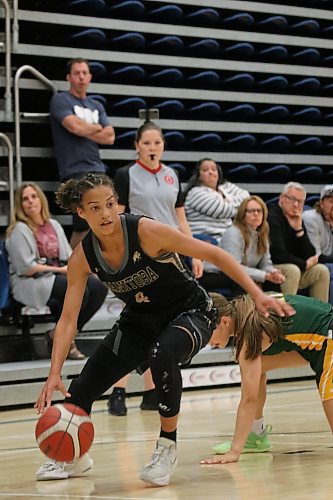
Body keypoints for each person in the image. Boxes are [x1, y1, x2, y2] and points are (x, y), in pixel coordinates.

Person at [34, 173, 293, 486]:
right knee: (81, 389)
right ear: (81, 212)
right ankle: (72, 456)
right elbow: (67, 320)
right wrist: (54, 373)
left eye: (110, 204)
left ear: (118, 203)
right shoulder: (82, 257)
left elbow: (215, 254)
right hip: (140, 319)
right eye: (95, 207)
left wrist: (257, 292)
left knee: (162, 353)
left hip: (191, 310)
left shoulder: (145, 231)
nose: (105, 213)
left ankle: (166, 446)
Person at [110, 121, 203, 416]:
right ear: (137, 145)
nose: (152, 148)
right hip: (141, 256)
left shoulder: (172, 175)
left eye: (157, 143)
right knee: (138, 320)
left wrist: (195, 252)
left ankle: (151, 391)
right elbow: (118, 219)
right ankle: (118, 391)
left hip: (171, 257)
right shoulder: (126, 175)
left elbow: (180, 219)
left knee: (161, 323)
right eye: (147, 143)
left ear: (163, 146)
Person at [201, 292, 333, 465]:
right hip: (310, 343)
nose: (207, 342)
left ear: (225, 322)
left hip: (327, 335)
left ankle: (249, 438)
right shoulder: (246, 311)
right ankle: (255, 434)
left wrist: (234, 452)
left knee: (328, 394)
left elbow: (248, 400)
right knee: (257, 368)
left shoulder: (250, 333)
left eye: (207, 333)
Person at [5, 182, 107, 359]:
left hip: (57, 276)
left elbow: (70, 257)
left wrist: (87, 269)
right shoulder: (19, 230)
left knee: (98, 287)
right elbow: (26, 268)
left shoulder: (53, 224)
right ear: (20, 205)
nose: (30, 202)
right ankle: (66, 341)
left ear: (41, 199)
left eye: (34, 196)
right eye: (25, 199)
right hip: (31, 281)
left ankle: (60, 336)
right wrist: (60, 270)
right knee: (76, 290)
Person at [49, 57, 115, 248]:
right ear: (69, 77)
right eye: (77, 73)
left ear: (90, 76)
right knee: (83, 224)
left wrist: (85, 128)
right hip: (74, 170)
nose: (81, 77)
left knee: (103, 221)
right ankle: (73, 268)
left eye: (85, 73)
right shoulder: (61, 100)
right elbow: (73, 127)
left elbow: (110, 137)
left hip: (97, 168)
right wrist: (96, 128)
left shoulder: (96, 105)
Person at [208, 195, 285, 295]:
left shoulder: (262, 233)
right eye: (251, 211)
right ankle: (245, 310)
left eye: (259, 211)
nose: (256, 214)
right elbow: (234, 267)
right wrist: (264, 275)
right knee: (241, 282)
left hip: (238, 273)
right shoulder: (233, 233)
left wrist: (273, 273)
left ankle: (277, 309)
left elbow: (265, 263)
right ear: (243, 215)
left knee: (272, 282)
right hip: (215, 274)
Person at [268, 182, 330, 301]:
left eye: (300, 201)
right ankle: (288, 317)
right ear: (282, 198)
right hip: (272, 269)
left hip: (292, 267)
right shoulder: (272, 216)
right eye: (292, 199)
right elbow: (277, 254)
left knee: (321, 271)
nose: (296, 205)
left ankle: (321, 317)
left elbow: (310, 254)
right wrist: (304, 264)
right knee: (293, 270)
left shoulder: (297, 218)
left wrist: (299, 230)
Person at [184, 158, 250, 243]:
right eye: (205, 170)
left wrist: (229, 201)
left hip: (226, 238)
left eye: (214, 169)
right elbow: (223, 211)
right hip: (205, 239)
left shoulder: (226, 187)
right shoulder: (196, 192)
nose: (210, 172)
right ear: (199, 176)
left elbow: (246, 196)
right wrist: (239, 208)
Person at [303, 185, 333, 304]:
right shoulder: (311, 218)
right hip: (307, 263)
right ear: (321, 203)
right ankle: (328, 317)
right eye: (331, 201)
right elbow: (316, 256)